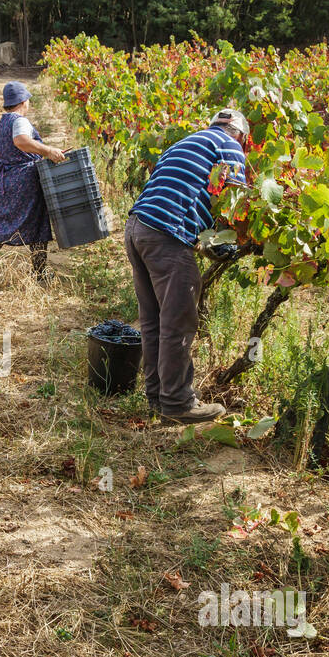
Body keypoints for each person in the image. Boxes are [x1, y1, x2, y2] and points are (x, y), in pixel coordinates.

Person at [125, 108, 250, 425]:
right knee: (178, 321)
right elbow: (235, 204)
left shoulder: (184, 143)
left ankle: (157, 397)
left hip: (137, 229)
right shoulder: (229, 147)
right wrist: (233, 242)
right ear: (241, 136)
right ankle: (178, 404)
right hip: (167, 235)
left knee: (153, 319)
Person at [0, 81, 67, 287]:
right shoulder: (19, 121)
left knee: (2, 221)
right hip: (24, 179)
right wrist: (49, 151)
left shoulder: (3, 121)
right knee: (38, 221)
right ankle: (40, 272)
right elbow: (21, 141)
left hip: (4, 179)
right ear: (24, 101)